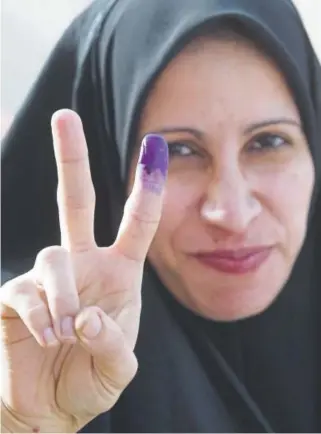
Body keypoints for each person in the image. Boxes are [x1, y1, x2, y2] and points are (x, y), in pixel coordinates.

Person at [1, 0, 320, 432]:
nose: (231, 213)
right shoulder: (26, 354)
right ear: (107, 165)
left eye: (267, 142)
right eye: (178, 151)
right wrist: (25, 423)